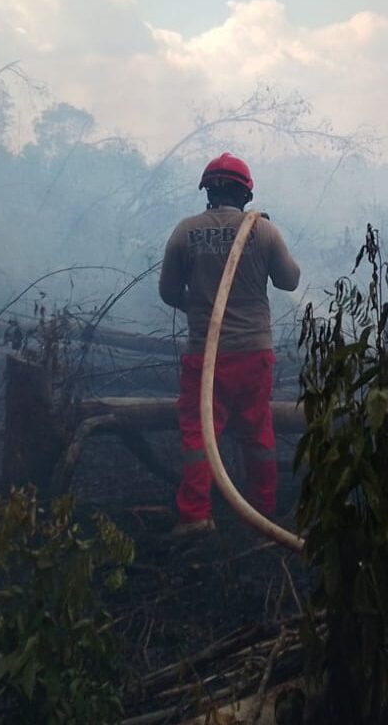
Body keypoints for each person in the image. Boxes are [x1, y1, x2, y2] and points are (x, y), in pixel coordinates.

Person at [158, 153, 301, 536]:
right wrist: (269, 242)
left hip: (205, 355)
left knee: (199, 431)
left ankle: (196, 516)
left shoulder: (185, 232)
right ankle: (262, 511)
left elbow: (168, 291)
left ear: (208, 191)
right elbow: (290, 281)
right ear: (246, 195)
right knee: (256, 431)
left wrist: (200, 308)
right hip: (254, 352)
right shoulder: (265, 232)